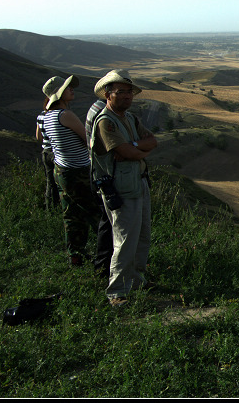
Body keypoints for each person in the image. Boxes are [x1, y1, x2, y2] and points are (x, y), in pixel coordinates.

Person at [90, 70, 158, 307]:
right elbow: (125, 153)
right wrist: (135, 150)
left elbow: (151, 141)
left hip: (139, 181)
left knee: (142, 235)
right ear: (108, 95)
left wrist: (135, 147)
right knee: (125, 238)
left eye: (129, 92)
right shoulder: (106, 122)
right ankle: (117, 291)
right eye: (121, 92)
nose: (127, 96)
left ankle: (137, 280)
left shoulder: (131, 119)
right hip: (120, 187)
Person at [42, 75, 100, 266]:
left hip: (61, 171)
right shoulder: (65, 115)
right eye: (68, 87)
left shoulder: (48, 116)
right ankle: (108, 257)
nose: (72, 90)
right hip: (78, 172)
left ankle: (76, 255)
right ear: (59, 94)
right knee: (97, 214)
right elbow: (89, 140)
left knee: (72, 216)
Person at [85, 98, 114, 279]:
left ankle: (103, 266)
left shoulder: (95, 107)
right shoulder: (105, 114)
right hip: (106, 174)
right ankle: (104, 267)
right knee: (110, 223)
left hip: (97, 171)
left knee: (107, 221)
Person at [36, 103, 59, 210]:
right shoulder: (58, 115)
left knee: (50, 183)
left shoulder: (41, 116)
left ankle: (49, 208)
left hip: (45, 151)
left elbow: (38, 136)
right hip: (56, 152)